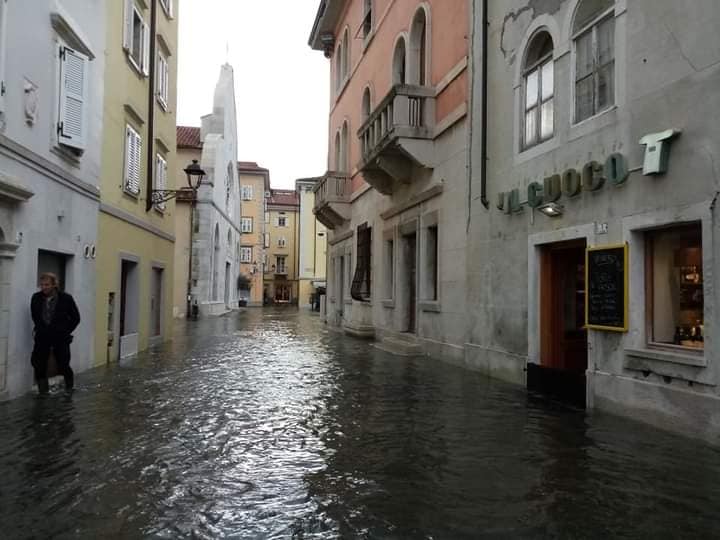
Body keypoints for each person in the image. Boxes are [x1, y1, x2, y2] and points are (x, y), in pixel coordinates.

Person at [30, 273, 80, 395]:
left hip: (60, 338)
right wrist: (41, 329)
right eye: (41, 285)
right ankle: (43, 392)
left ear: (54, 285)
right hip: (42, 337)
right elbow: (35, 316)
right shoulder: (36, 297)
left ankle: (69, 388)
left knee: (63, 364)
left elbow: (75, 318)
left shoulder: (66, 298)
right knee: (39, 365)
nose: (44, 287)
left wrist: (65, 331)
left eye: (47, 285)